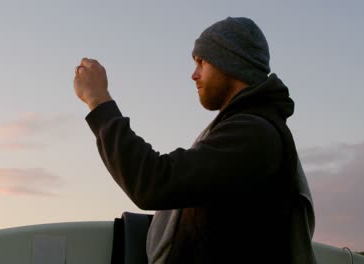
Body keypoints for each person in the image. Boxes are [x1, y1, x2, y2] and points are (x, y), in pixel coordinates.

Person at [73, 17, 317, 264]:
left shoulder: (253, 134)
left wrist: (98, 100)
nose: (194, 74)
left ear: (229, 63)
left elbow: (154, 183)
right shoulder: (246, 129)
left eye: (201, 62)